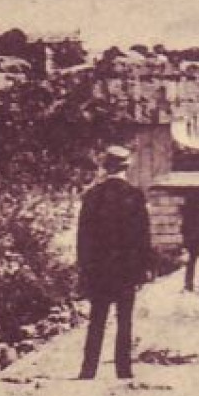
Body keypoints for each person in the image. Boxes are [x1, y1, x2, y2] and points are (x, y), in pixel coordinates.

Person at [76, 145, 153, 380]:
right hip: (126, 270)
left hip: (99, 269)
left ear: (105, 167)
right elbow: (143, 237)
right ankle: (124, 370)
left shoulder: (91, 196)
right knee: (125, 320)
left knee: (96, 320)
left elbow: (83, 238)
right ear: (126, 167)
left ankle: (88, 370)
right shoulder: (135, 195)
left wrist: (84, 269)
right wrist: (144, 269)